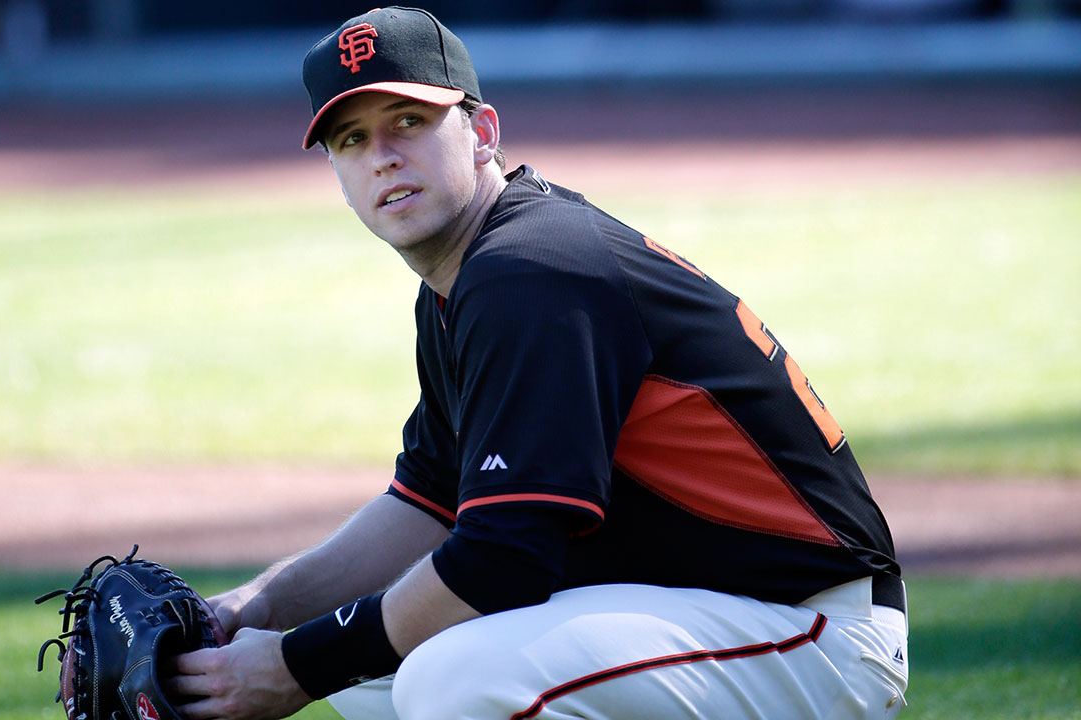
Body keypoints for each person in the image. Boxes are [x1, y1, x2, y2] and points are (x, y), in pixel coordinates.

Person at [169, 7, 909, 720]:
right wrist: (247, 612)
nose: (384, 156)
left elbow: (503, 559)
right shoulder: (466, 280)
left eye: (409, 121)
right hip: (709, 621)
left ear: (483, 131)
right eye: (351, 140)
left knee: (445, 676)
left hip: (808, 631)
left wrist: (295, 665)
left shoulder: (531, 270)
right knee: (374, 670)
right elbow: (428, 501)